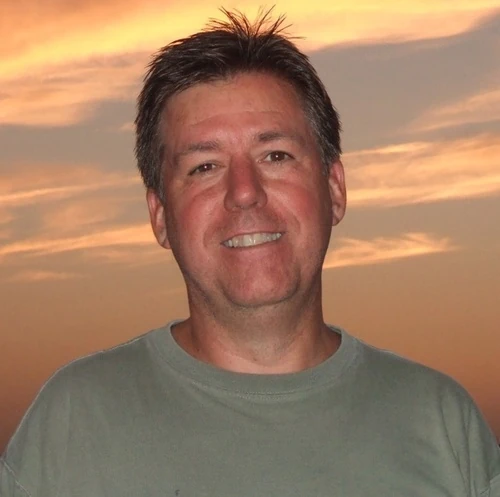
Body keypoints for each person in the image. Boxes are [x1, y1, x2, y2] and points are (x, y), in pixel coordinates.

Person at [1, 9, 499, 497]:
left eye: (275, 155)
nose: (244, 192)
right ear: (160, 216)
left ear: (335, 189)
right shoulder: (72, 426)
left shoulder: (444, 427)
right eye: (204, 166)